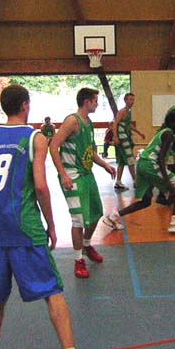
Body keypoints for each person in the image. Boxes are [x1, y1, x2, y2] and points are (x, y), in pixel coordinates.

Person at [0, 85, 92, 349]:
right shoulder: (34, 138)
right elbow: (40, 186)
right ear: (26, 105)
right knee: (53, 292)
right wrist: (51, 224)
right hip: (24, 228)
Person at [49, 88, 117, 279]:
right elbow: (53, 146)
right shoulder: (72, 121)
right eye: (95, 101)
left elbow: (91, 151)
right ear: (87, 102)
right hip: (73, 175)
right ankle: (78, 259)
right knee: (78, 220)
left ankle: (86, 245)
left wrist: (105, 165)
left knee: (96, 213)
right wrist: (63, 174)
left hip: (87, 174)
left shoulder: (89, 123)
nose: (97, 104)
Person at [101, 109, 175, 234]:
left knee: (145, 202)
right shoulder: (168, 134)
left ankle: (113, 217)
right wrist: (168, 184)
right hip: (151, 165)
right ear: (173, 123)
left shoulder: (167, 133)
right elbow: (160, 160)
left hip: (143, 164)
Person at [112, 93, 146, 191]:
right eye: (130, 99)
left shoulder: (129, 112)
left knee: (122, 161)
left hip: (125, 137)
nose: (132, 102)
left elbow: (129, 125)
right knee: (130, 159)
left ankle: (118, 182)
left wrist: (139, 133)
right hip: (122, 138)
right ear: (125, 100)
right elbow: (115, 124)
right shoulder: (122, 111)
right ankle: (135, 181)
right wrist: (116, 137)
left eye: (133, 100)